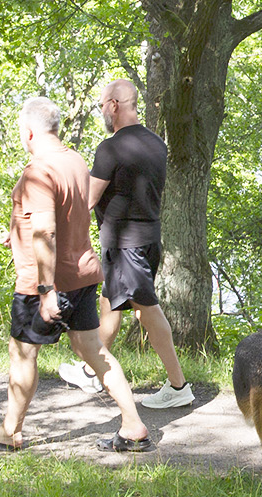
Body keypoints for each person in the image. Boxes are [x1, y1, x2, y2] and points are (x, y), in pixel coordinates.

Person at [0, 96, 153, 453]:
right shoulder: (74, 160)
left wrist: (45, 289)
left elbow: (47, 232)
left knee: (23, 354)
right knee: (92, 349)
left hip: (48, 284)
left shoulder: (37, 171)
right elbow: (67, 215)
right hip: (83, 273)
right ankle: (134, 426)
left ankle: (9, 432)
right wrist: (17, 231)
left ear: (30, 132)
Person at [56, 79, 193, 409]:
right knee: (111, 304)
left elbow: (86, 200)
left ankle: (178, 387)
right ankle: (91, 371)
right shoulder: (156, 144)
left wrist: (46, 231)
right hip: (148, 241)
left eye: (102, 104)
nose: (102, 110)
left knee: (147, 311)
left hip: (125, 246)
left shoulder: (111, 148)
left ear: (114, 105)